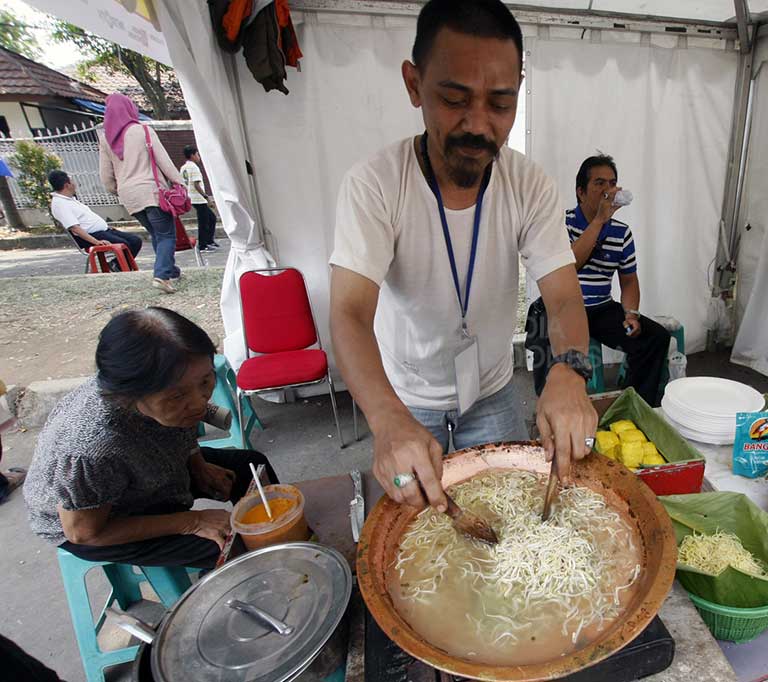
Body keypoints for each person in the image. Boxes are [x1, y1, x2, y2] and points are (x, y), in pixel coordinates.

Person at [329, 0, 597, 513]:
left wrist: (567, 370)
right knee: (413, 524)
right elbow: (349, 313)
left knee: (507, 520)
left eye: (500, 104)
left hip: (492, 389)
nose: (478, 124)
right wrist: (386, 420)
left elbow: (562, 296)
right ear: (414, 85)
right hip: (404, 396)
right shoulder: (375, 185)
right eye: (454, 99)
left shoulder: (529, 184)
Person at [22, 308, 278, 568]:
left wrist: (197, 464)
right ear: (129, 397)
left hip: (150, 473)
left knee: (250, 466)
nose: (201, 403)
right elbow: (85, 533)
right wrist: (192, 521)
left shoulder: (169, 396)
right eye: (177, 396)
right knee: (230, 548)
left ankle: (277, 540)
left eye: (205, 381)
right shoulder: (92, 448)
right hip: (103, 517)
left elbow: (182, 421)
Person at [562, 154, 670, 406]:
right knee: (556, 357)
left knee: (656, 338)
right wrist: (599, 221)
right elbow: (570, 264)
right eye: (599, 183)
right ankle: (562, 410)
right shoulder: (561, 223)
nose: (607, 190)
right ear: (581, 192)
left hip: (601, 308)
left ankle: (635, 405)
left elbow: (629, 280)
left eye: (612, 183)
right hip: (564, 308)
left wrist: (631, 313)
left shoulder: (621, 232)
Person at [99, 93, 185, 294]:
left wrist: (117, 189)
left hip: (129, 196)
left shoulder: (105, 139)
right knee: (166, 235)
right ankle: (162, 275)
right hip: (151, 192)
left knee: (157, 233)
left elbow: (105, 176)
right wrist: (179, 183)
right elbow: (163, 161)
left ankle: (170, 270)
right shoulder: (143, 131)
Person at [48, 170, 143, 268]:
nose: (75, 184)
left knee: (135, 240)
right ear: (67, 185)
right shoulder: (60, 203)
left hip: (103, 231)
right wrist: (96, 241)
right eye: (72, 181)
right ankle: (119, 267)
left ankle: (115, 265)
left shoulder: (70, 200)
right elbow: (75, 228)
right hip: (91, 236)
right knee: (124, 244)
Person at [180, 145, 220, 252]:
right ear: (192, 155)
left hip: (190, 197)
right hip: (198, 198)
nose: (199, 157)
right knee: (204, 221)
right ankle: (203, 245)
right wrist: (207, 198)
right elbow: (196, 184)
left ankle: (209, 241)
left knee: (211, 218)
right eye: (197, 154)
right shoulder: (194, 167)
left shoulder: (183, 167)